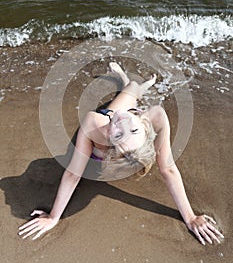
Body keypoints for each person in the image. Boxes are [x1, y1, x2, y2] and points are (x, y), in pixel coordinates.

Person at [18, 62, 224, 245]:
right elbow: (167, 167)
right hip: (124, 130)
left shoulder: (98, 123)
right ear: (145, 127)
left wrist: (190, 218)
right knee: (131, 93)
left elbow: (74, 174)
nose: (121, 123)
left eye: (119, 134)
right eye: (133, 130)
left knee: (125, 103)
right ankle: (130, 82)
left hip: (110, 134)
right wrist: (190, 216)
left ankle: (130, 85)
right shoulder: (153, 116)